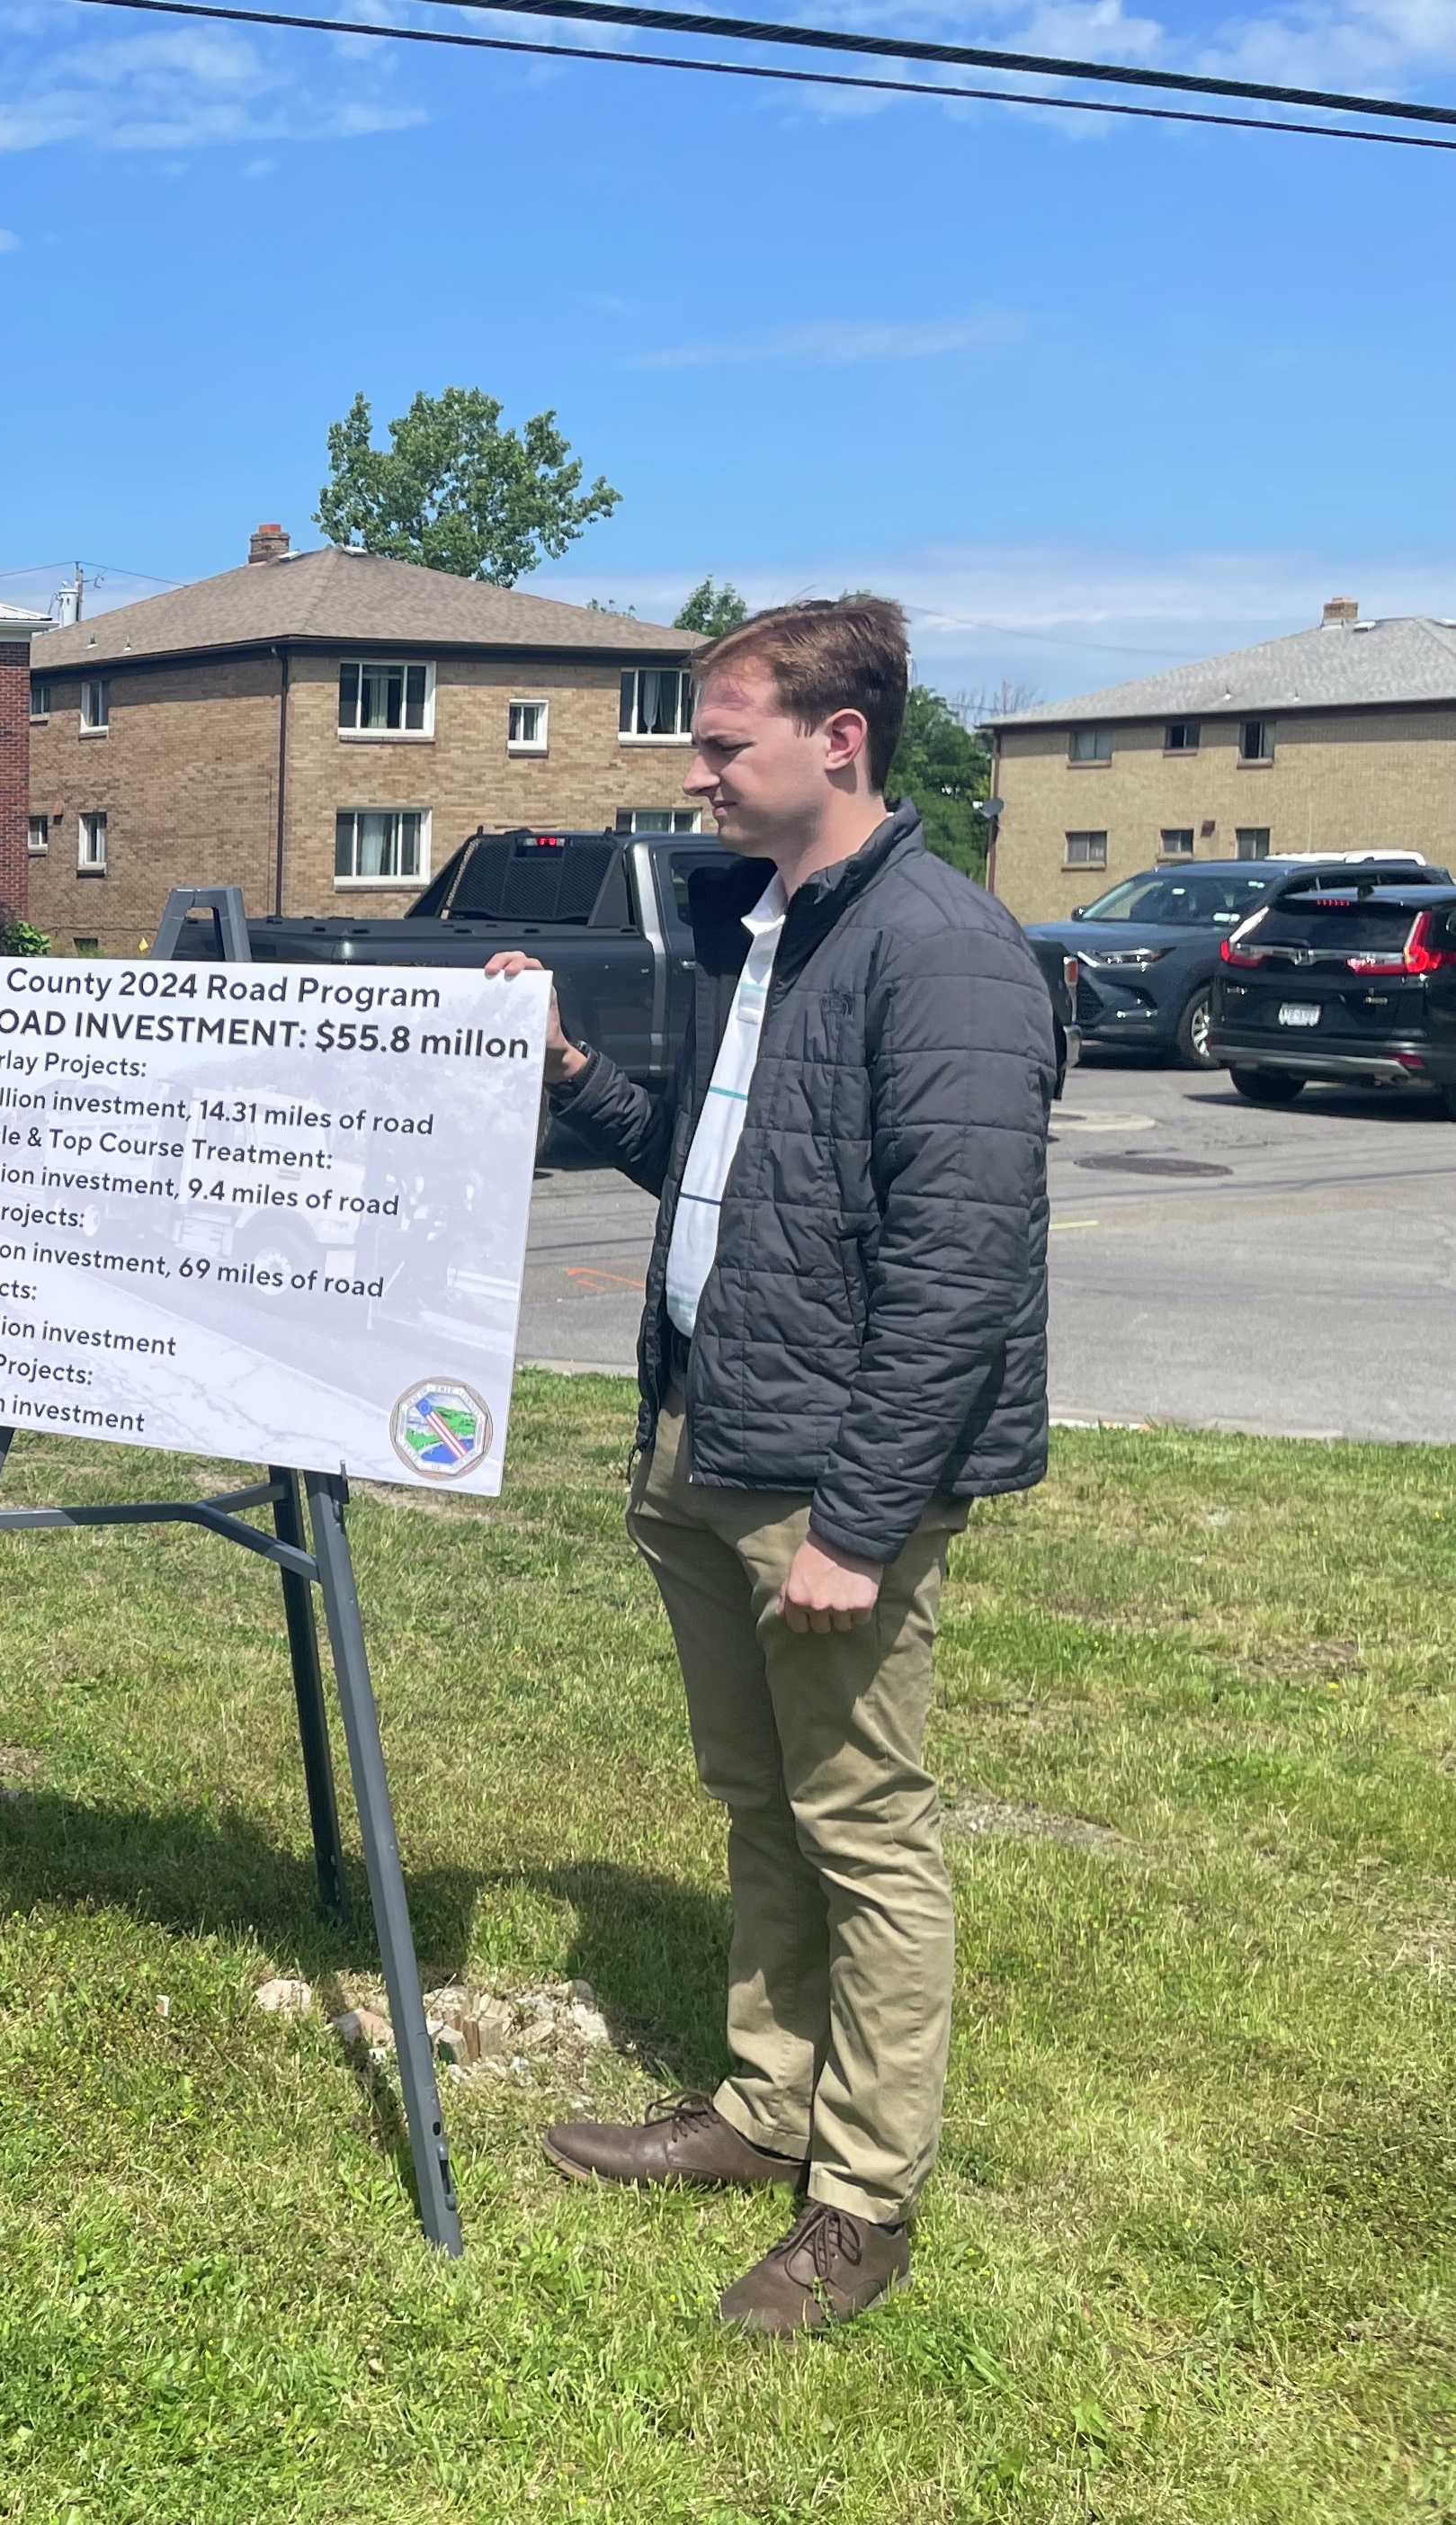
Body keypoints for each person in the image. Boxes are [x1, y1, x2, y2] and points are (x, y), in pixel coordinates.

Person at [491, 595, 1052, 2335]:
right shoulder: (769, 926)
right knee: (757, 1802)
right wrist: (577, 1071)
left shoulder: (942, 951)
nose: (695, 774)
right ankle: (759, 2103)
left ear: (840, 741)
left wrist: (862, 1524)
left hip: (825, 1477)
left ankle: (861, 2194)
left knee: (862, 1826)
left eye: (722, 741)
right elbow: (710, 1171)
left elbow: (961, 1270)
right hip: (708, 1430)